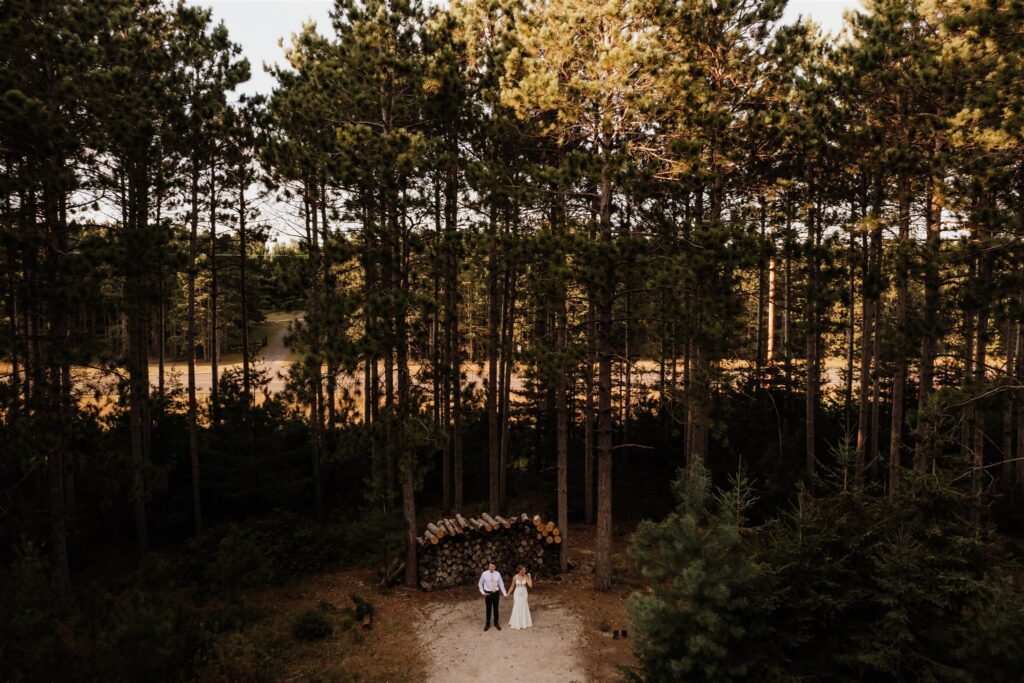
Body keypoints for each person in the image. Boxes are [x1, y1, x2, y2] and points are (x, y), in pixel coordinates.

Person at [478, 561, 507, 631]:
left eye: (492, 567)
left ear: (495, 567)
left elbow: (501, 584)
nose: (491, 568)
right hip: (488, 593)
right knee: (488, 609)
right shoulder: (484, 574)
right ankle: (487, 624)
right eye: (490, 566)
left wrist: (505, 593)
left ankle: (496, 623)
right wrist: (483, 592)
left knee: (496, 609)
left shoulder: (498, 574)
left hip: (496, 593)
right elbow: (480, 583)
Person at [508, 565, 533, 630]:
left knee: (524, 605)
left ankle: (524, 622)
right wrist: (508, 594)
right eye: (523, 570)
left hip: (524, 593)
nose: (525, 571)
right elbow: (512, 586)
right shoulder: (515, 577)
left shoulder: (526, 576)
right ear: (520, 570)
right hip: (517, 593)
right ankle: (516, 622)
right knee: (517, 605)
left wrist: (530, 577)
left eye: (525, 570)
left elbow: (530, 585)